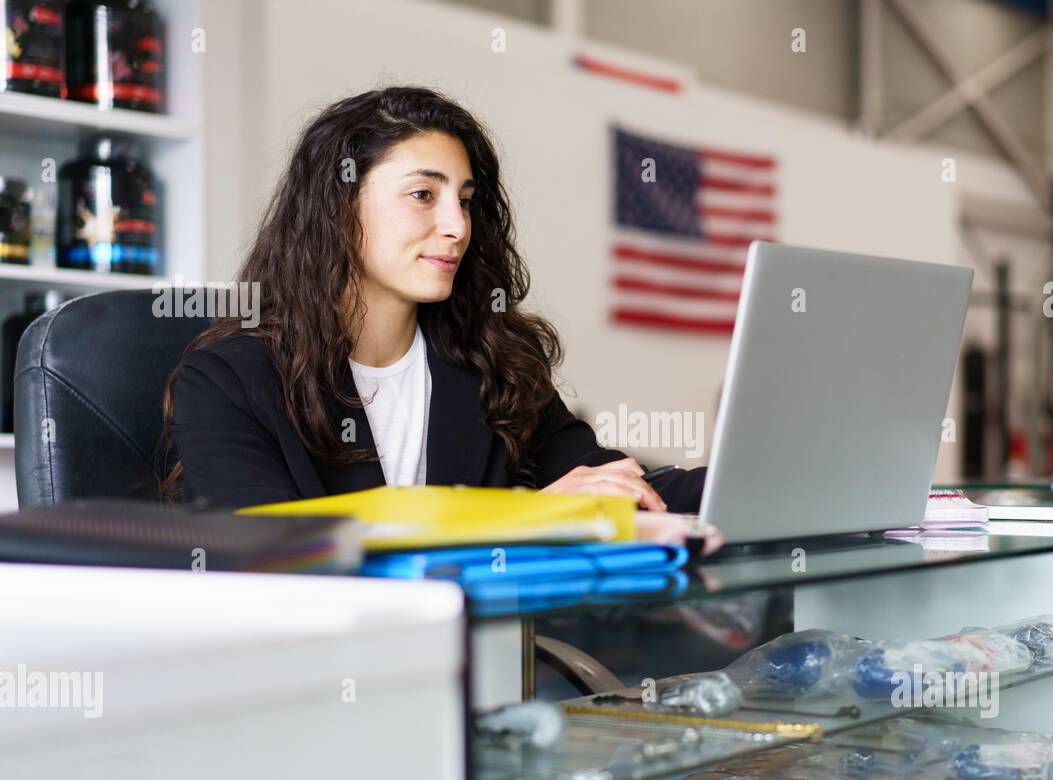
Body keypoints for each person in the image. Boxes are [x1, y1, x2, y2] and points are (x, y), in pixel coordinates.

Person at [162, 86, 705, 513]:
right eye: (424, 195)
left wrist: (758, 478)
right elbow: (278, 570)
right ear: (338, 209)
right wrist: (524, 520)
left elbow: (605, 484)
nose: (456, 226)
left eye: (465, 201)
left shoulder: (494, 361)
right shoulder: (228, 380)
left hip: (485, 654)